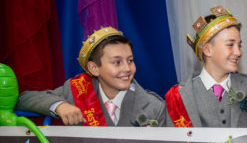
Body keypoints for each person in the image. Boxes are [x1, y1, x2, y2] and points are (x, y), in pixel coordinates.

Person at [16, 27, 167, 127]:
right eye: (116, 62)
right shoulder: (77, 90)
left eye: (130, 60)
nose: (127, 69)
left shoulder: (154, 106)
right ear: (94, 68)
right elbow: (24, 99)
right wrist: (59, 106)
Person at [165, 6, 247, 127]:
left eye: (239, 45)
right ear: (208, 50)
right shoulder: (180, 97)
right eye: (230, 45)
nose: (238, 52)